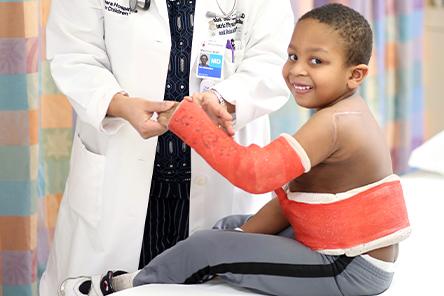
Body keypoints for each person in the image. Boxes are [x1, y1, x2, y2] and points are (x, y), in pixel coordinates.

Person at [57, 3, 411, 296]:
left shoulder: (334, 124)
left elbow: (255, 174)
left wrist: (188, 120)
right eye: (293, 56)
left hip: (346, 263)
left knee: (207, 247)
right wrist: (237, 239)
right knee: (226, 230)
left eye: (316, 61)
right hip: (341, 249)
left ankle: (120, 285)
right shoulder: (339, 114)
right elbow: (293, 201)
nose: (296, 70)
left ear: (356, 75)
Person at [40, 0, 294, 295]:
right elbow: (74, 52)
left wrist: (221, 99)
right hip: (119, 179)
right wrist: (118, 103)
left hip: (218, 185)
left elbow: (274, 60)